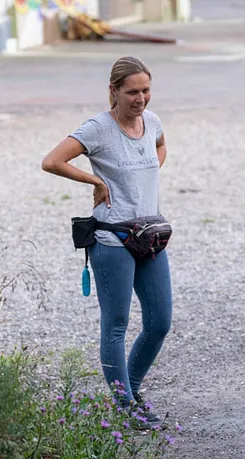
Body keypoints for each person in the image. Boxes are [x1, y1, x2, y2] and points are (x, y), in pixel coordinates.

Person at [42, 56, 171, 425]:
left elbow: (160, 146)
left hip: (150, 235)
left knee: (159, 322)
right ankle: (125, 407)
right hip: (111, 239)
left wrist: (145, 177)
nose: (141, 98)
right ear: (113, 91)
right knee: (115, 324)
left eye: (146, 90)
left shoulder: (153, 121)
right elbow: (51, 161)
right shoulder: (98, 128)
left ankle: (130, 388)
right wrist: (96, 182)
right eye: (132, 92)